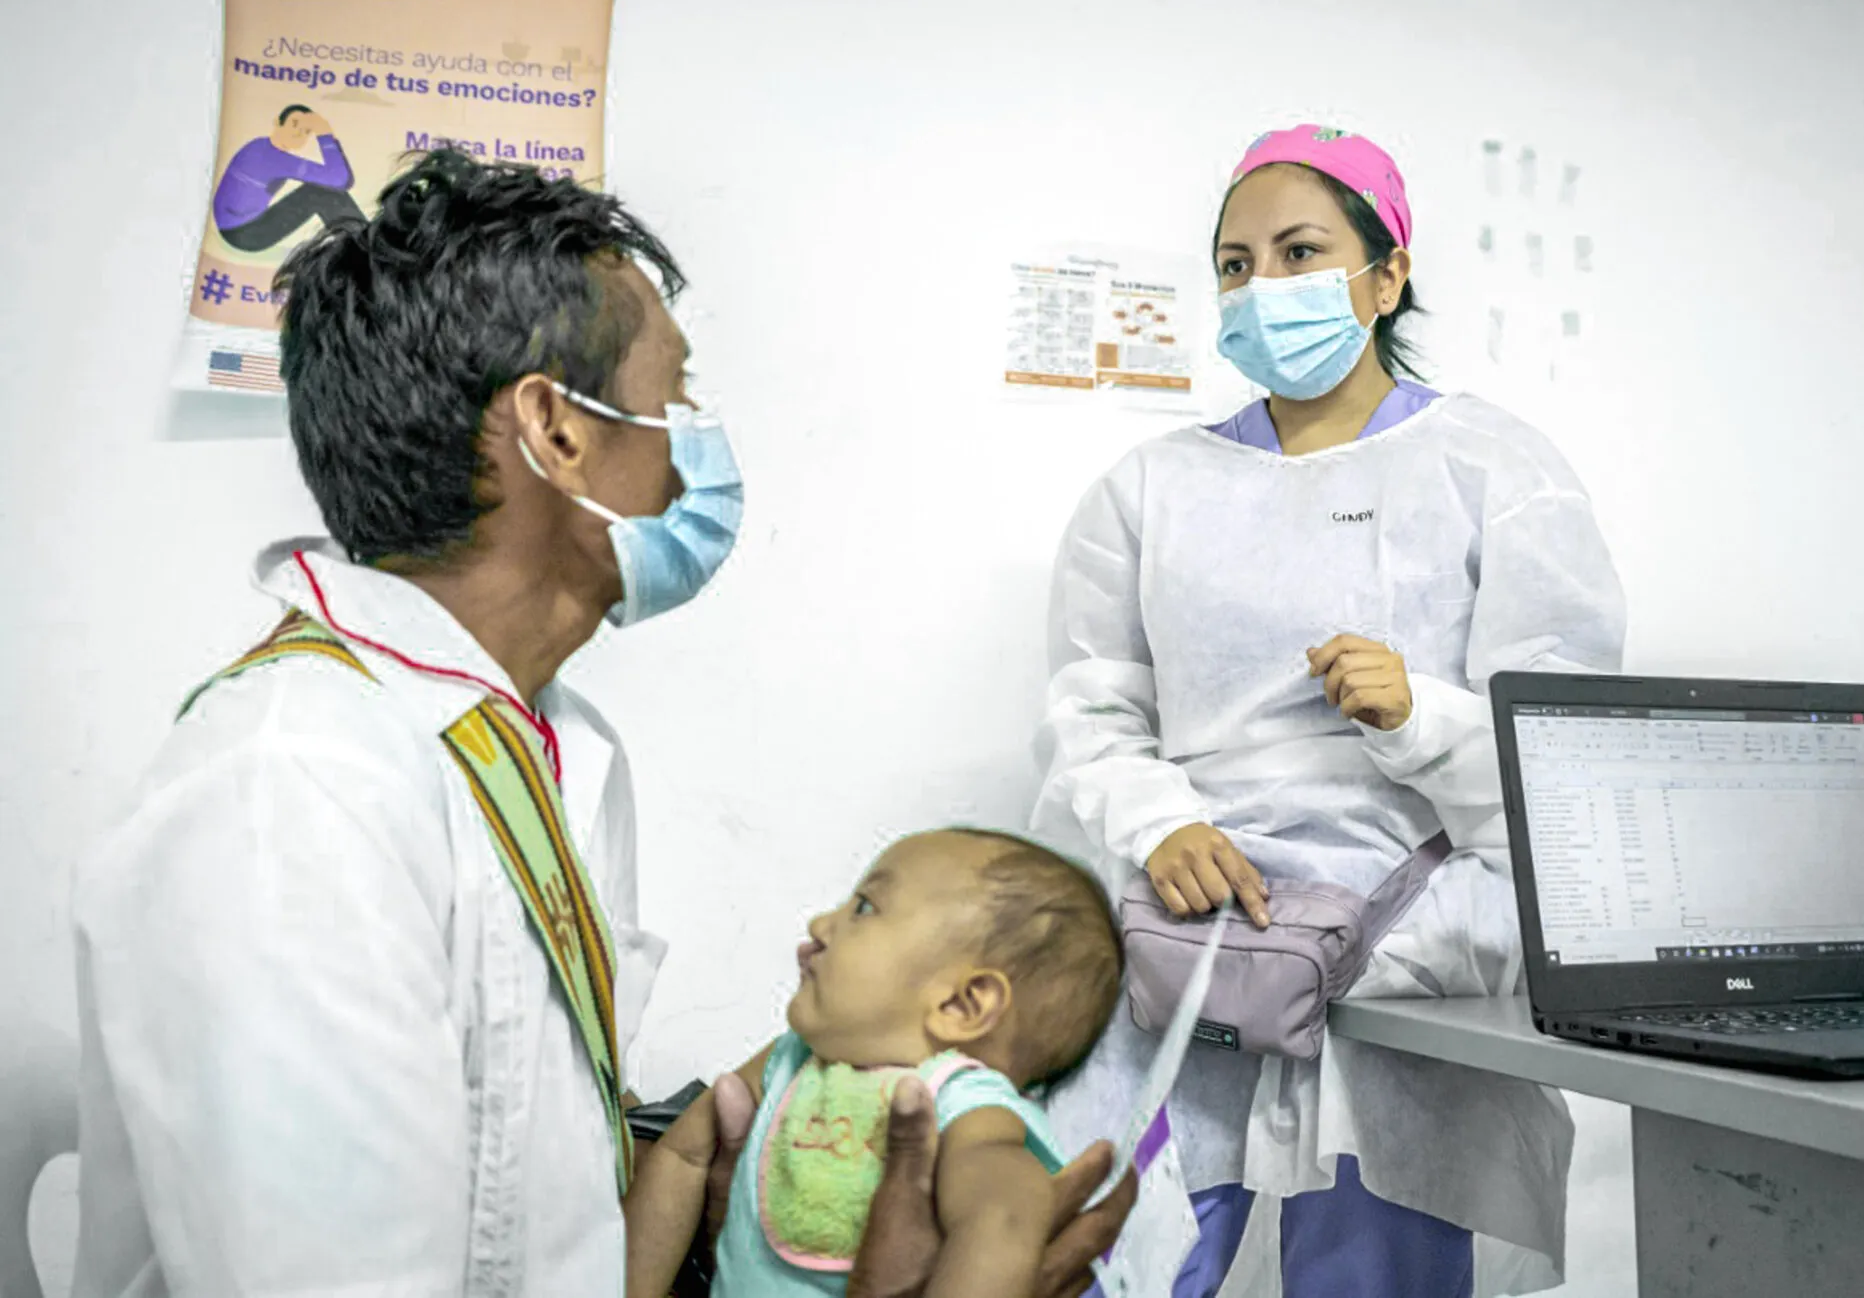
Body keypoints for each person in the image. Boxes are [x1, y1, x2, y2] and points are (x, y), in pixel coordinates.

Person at [71, 150, 1131, 1297]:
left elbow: (509, 1162)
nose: (696, 448)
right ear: (557, 431)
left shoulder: (538, 739)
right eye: (674, 398)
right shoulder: (294, 793)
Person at [1032, 124, 1629, 1296]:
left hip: (1400, 937)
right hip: (1189, 929)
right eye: (1237, 265)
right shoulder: (1147, 489)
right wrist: (1161, 825)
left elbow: (1567, 750)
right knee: (1129, 1251)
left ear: (1387, 272)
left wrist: (1421, 718)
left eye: (1300, 252)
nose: (1264, 288)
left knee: (1372, 1255)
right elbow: (1089, 709)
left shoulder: (1496, 469)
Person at [626, 829, 1124, 1298]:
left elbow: (1002, 1216)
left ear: (962, 1005)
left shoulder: (959, 1100)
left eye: (864, 907)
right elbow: (682, 1156)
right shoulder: (794, 1058)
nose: (820, 924)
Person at [212, 104, 364, 253]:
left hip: (235, 227)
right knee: (320, 193)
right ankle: (368, 247)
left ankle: (364, 245)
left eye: (307, 131)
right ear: (278, 122)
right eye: (295, 124)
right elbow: (340, 179)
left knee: (320, 189)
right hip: (244, 233)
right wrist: (324, 133)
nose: (299, 133)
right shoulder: (273, 157)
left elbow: (341, 179)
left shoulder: (260, 145)